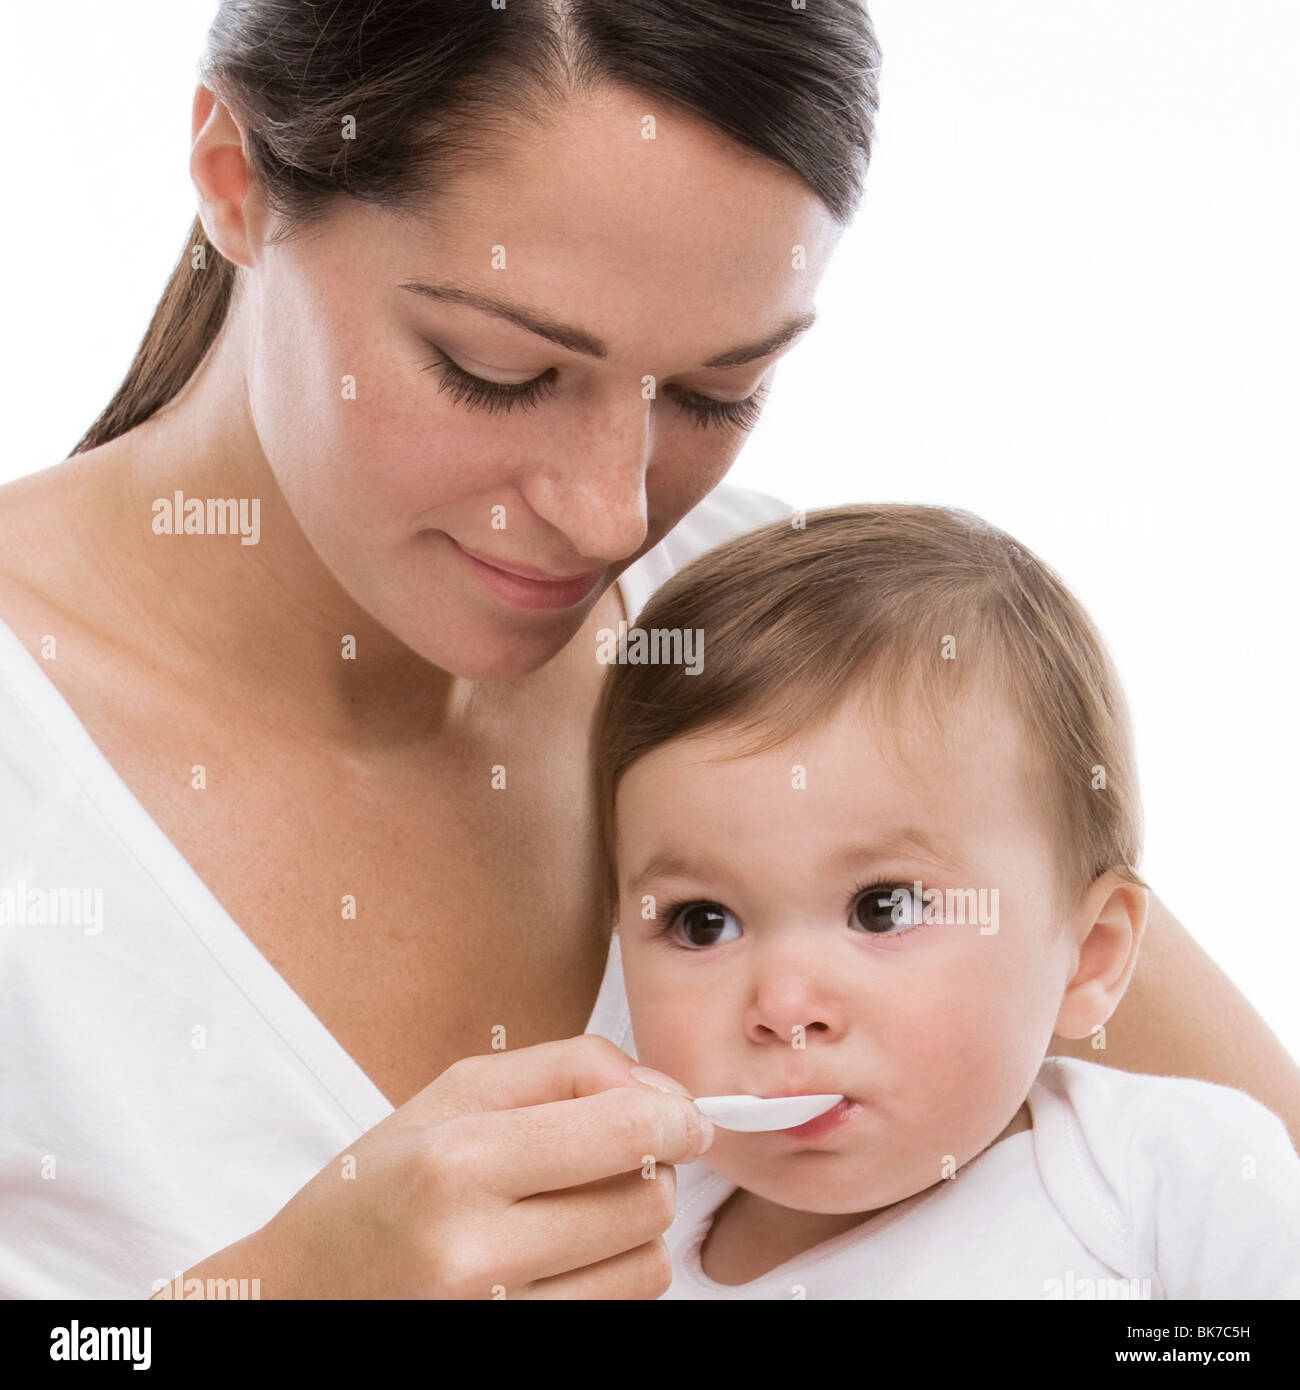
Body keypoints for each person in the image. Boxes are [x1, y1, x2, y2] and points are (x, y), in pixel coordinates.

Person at [0, 0, 1293, 1300]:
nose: (611, 513)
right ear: (235, 178)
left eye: (717, 393)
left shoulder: (789, 639)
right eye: (497, 369)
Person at [595, 504, 1300, 1297]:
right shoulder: (624, 1244)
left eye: (883, 909)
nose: (784, 1007)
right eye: (703, 923)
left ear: (1090, 956)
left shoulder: (1170, 1173)